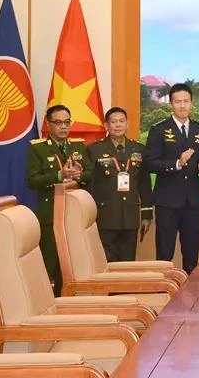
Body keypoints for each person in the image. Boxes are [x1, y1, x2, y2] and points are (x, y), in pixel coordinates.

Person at [144, 83, 199, 274]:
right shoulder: (159, 130)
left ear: (192, 103)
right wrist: (177, 163)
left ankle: (190, 298)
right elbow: (150, 163)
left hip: (192, 201)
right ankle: (163, 294)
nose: (182, 106)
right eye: (177, 102)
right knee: (164, 253)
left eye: (186, 101)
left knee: (191, 254)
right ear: (171, 104)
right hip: (167, 201)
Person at [27, 104, 91, 295]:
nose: (63, 127)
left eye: (66, 122)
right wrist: (59, 175)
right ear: (49, 124)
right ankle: (47, 302)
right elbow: (32, 181)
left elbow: (90, 173)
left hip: (73, 214)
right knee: (50, 261)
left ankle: (68, 300)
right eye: (58, 123)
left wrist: (79, 175)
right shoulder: (37, 149)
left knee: (70, 263)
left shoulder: (78, 146)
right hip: (50, 215)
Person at [85, 107, 153, 262]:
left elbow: (144, 184)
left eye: (121, 121)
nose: (118, 125)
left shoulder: (139, 149)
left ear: (127, 124)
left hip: (130, 216)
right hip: (105, 216)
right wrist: (90, 216)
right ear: (106, 126)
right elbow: (90, 186)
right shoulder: (94, 150)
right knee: (106, 262)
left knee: (128, 262)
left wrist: (147, 214)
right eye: (113, 122)